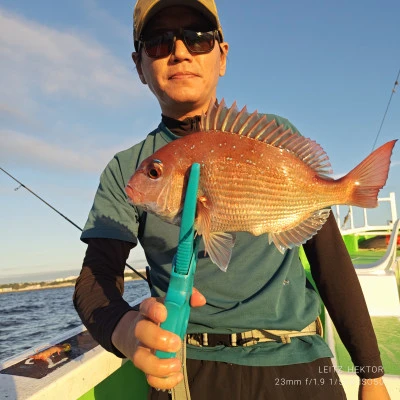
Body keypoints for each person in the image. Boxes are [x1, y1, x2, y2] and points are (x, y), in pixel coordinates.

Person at [73, 1, 390, 399]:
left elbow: (331, 263)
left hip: (295, 357)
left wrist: (372, 374)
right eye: (158, 42)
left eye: (198, 37)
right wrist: (125, 333)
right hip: (186, 366)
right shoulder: (127, 169)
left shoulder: (273, 136)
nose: (180, 50)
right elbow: (94, 280)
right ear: (139, 65)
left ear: (222, 56)